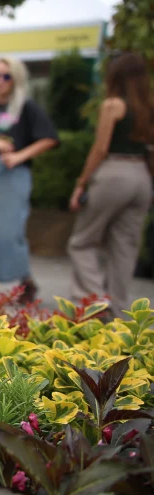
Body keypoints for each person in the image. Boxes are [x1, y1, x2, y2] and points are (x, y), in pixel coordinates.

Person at [68, 52, 153, 319]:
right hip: (142, 176)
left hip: (114, 173)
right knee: (125, 248)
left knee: (82, 241)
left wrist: (81, 183)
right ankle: (118, 311)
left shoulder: (113, 105)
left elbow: (101, 148)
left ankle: (95, 303)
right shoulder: (148, 107)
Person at [0, 56, 58, 302]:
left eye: (5, 76)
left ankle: (25, 281)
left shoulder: (26, 106)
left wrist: (19, 156)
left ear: (15, 78)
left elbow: (49, 138)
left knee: (8, 231)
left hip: (12, 175)